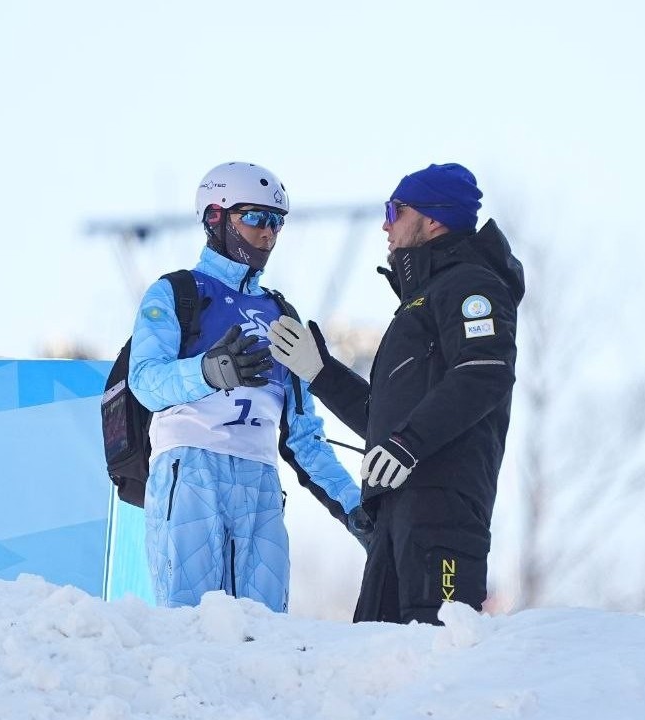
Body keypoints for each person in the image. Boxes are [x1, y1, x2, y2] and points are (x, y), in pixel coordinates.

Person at [267, 163, 523, 625]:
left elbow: (483, 373)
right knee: (375, 662)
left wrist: (408, 444)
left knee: (435, 656)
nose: (385, 224)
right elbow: (388, 420)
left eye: (395, 210)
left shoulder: (472, 286)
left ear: (434, 219)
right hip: (394, 512)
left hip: (443, 508)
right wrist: (321, 373)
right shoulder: (418, 304)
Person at [127, 161, 370, 613]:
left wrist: (353, 507)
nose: (268, 234)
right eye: (256, 218)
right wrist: (207, 372)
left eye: (277, 223)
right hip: (190, 469)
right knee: (192, 628)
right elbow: (144, 382)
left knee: (266, 636)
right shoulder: (177, 292)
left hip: (259, 480)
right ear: (215, 218)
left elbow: (304, 435)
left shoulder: (281, 313)